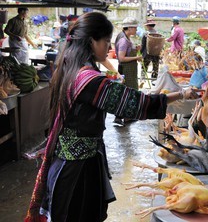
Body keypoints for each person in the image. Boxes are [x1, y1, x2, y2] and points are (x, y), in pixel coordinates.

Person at [24, 12, 197, 222]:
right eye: (106, 41)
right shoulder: (90, 81)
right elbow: (137, 103)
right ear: (91, 41)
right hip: (78, 174)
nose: (109, 47)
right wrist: (181, 94)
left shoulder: (68, 68)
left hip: (65, 165)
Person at [114, 17, 142, 126]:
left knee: (128, 92)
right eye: (135, 28)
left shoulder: (126, 37)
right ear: (129, 28)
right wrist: (136, 58)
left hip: (130, 70)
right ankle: (123, 116)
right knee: (128, 93)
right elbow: (121, 58)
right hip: (126, 70)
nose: (136, 30)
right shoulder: (123, 40)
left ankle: (125, 116)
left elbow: (128, 51)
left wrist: (136, 49)